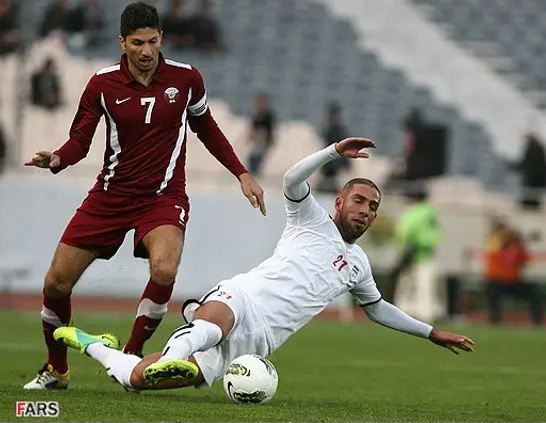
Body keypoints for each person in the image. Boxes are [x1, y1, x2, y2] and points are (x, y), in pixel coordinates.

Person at [53, 137, 475, 392]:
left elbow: (378, 307)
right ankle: (180, 344)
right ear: (339, 202)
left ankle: (96, 344)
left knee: (138, 380)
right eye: (359, 201)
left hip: (259, 342)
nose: (365, 210)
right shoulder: (309, 218)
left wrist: (430, 331)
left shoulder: (359, 265)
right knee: (209, 328)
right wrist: (332, 152)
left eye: (373, 207)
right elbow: (292, 180)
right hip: (242, 299)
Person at [22, 1, 265, 390]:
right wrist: (57, 159)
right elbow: (80, 141)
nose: (147, 51)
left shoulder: (186, 79)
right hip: (109, 196)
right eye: (138, 43)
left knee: (165, 269)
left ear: (162, 38)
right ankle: (56, 369)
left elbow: (209, 129)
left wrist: (242, 173)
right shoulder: (102, 84)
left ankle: (131, 356)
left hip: (163, 197)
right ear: (123, 43)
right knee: (55, 284)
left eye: (153, 41)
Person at [389, 185, 443, 322]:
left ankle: (412, 314)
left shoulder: (419, 212)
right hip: (423, 254)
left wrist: (404, 249)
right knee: (420, 286)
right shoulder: (429, 211)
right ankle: (424, 313)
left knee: (414, 286)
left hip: (415, 252)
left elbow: (406, 232)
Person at [483, 218, 543, 326]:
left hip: (512, 281)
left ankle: (538, 322)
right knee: (492, 288)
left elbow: (524, 261)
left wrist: (518, 246)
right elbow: (501, 253)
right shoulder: (494, 241)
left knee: (534, 290)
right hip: (497, 280)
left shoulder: (515, 244)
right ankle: (495, 321)